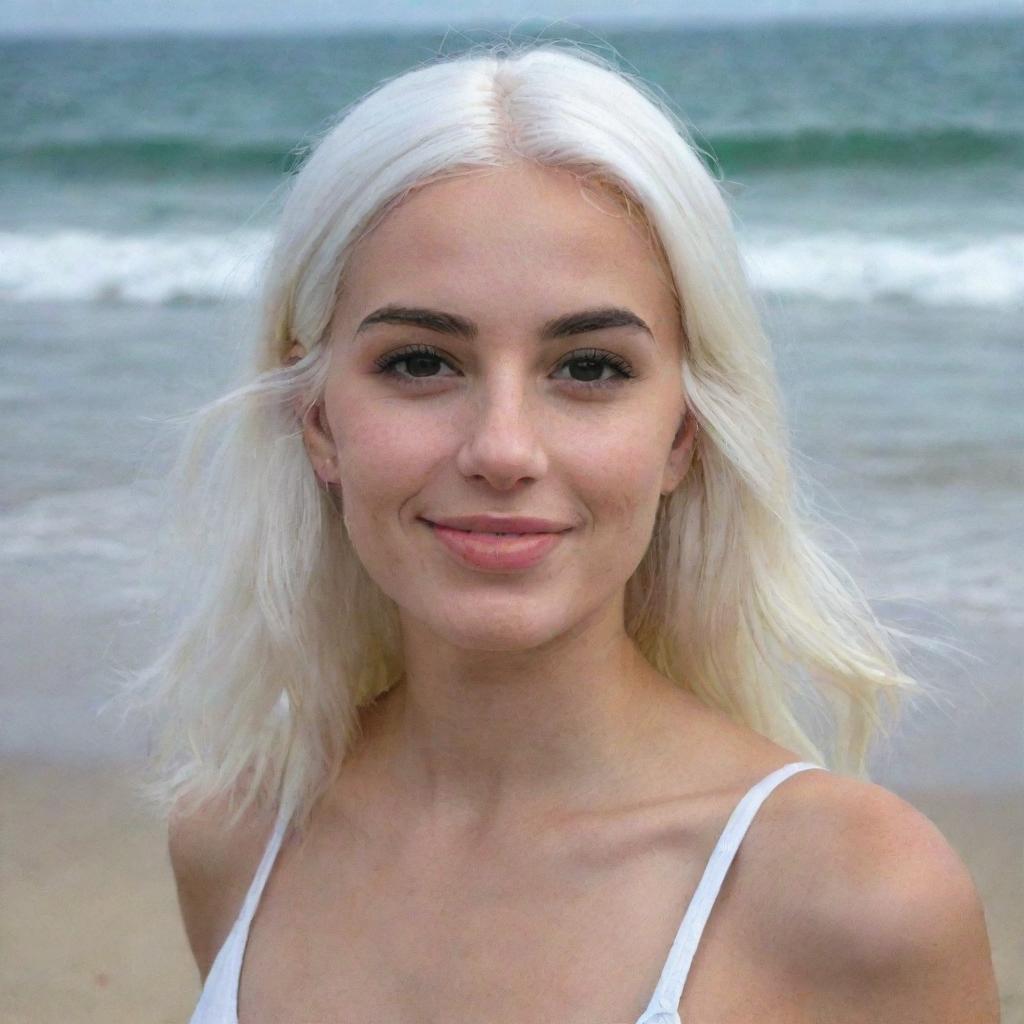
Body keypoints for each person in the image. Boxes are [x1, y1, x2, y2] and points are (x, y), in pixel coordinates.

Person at [119, 41, 1000, 1023]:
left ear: (683, 435)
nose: (503, 448)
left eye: (588, 368)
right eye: (420, 361)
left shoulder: (850, 897)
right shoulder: (239, 833)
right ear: (317, 418)